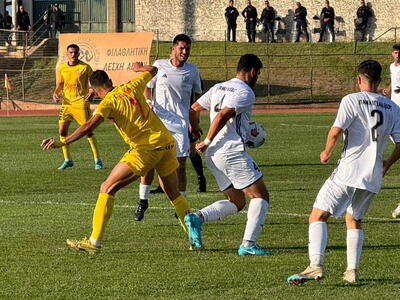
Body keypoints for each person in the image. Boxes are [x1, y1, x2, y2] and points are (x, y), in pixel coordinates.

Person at [41, 63, 192, 253]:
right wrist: (139, 69)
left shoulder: (108, 102)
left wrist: (64, 142)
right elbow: (154, 70)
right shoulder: (132, 85)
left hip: (146, 148)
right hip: (167, 142)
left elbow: (89, 126)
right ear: (110, 81)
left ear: (94, 92)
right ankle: (195, 238)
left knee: (107, 187)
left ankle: (94, 242)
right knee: (173, 194)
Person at [287, 60, 400, 285]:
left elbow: (337, 130)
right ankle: (352, 271)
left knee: (318, 216)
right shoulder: (393, 107)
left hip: (349, 170)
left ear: (359, 79)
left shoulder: (351, 99)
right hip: (373, 174)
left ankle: (315, 265)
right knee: (354, 218)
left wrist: (326, 151)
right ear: (379, 81)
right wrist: (386, 164)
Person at [184, 54, 272, 256]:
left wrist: (194, 126)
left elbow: (194, 108)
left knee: (237, 201)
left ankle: (197, 218)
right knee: (260, 196)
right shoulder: (246, 92)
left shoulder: (219, 87)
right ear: (251, 72)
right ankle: (248, 244)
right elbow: (224, 114)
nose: (257, 77)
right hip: (229, 151)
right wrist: (205, 140)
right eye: (257, 73)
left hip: (214, 155)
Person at [133, 34, 203, 221]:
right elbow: (148, 86)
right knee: (149, 162)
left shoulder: (192, 71)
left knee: (180, 166)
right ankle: (143, 200)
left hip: (180, 125)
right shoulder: (160, 65)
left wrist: (194, 122)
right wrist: (149, 101)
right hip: (158, 122)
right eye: (181, 48)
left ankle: (181, 204)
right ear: (172, 49)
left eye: (187, 49)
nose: (184, 52)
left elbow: (195, 100)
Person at [53, 44, 103, 170]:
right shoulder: (62, 68)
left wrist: (92, 92)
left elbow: (94, 82)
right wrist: (55, 92)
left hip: (81, 103)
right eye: (71, 52)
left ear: (79, 53)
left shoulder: (85, 67)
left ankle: (97, 160)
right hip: (67, 103)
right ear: (67, 53)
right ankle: (67, 160)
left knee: (88, 131)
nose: (73, 55)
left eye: (75, 52)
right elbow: (60, 84)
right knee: (62, 131)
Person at [382, 44, 400, 218]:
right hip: (394, 106)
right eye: (395, 53)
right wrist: (389, 88)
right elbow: (394, 80)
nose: (397, 56)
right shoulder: (391, 67)